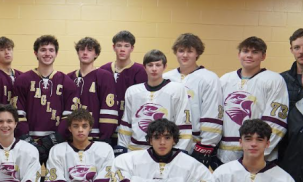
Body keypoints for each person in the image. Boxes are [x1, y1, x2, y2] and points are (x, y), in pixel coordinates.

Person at [216, 36, 289, 167]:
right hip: (225, 155)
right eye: (245, 51)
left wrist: (259, 150)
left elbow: (276, 120)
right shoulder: (225, 80)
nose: (249, 55)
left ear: (263, 56)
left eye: (255, 52)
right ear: (239, 54)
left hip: (260, 156)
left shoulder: (274, 80)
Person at [12, 35, 80, 164]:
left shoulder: (67, 82)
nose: (47, 53)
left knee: (55, 181)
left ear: (56, 53)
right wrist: (27, 140)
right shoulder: (22, 81)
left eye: (51, 50)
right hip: (29, 142)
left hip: (58, 143)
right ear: (35, 53)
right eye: (43, 50)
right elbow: (18, 113)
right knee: (29, 180)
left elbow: (69, 116)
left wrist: (56, 138)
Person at [163, 33, 223, 166]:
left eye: (190, 51)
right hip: (166, 142)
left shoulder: (209, 78)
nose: (184, 55)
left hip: (194, 144)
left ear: (197, 53)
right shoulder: (166, 77)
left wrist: (206, 145)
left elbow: (212, 111)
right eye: (181, 51)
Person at [117, 50, 191, 152]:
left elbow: (183, 122)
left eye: (158, 65)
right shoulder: (132, 91)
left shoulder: (177, 90)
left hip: (164, 150)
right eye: (150, 65)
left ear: (164, 67)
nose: (154, 69)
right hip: (136, 150)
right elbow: (127, 123)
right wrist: (122, 147)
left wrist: (180, 149)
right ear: (144, 67)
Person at [67, 37, 118, 143]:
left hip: (96, 137)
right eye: (82, 49)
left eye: (89, 50)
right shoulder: (69, 77)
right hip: (72, 137)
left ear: (96, 54)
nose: (85, 53)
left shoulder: (105, 76)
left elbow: (109, 109)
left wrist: (104, 137)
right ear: (78, 52)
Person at [99, 30, 148, 143]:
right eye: (119, 45)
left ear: (132, 48)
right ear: (113, 47)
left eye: (126, 46)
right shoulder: (103, 69)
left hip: (129, 127)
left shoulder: (140, 71)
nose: (122, 49)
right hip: (105, 126)